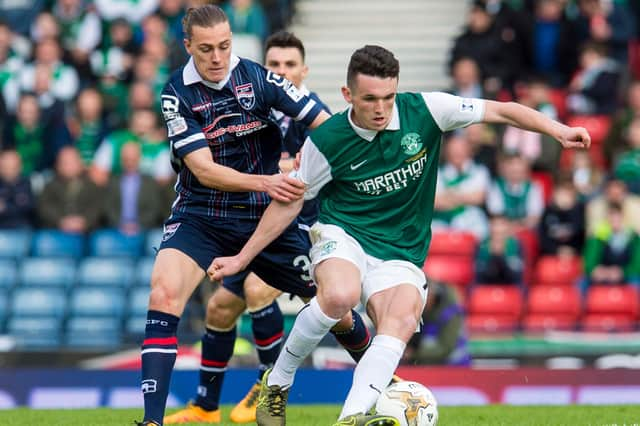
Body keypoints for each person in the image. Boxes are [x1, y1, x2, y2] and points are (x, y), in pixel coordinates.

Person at [209, 45, 590, 426]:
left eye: (388, 97)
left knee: (403, 318)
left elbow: (501, 110)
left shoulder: (426, 110)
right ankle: (278, 383)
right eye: (370, 99)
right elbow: (289, 203)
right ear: (348, 95)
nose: (381, 108)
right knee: (339, 295)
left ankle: (351, 417)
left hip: (401, 251)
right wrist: (242, 259)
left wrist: (559, 130)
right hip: (345, 234)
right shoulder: (326, 141)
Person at [137, 6, 370, 426]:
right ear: (188, 46)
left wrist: (332, 155)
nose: (217, 57)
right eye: (206, 49)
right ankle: (154, 420)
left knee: (334, 304)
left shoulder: (259, 78)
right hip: (201, 213)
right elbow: (203, 169)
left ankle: (387, 384)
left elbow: (326, 123)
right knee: (164, 295)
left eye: (225, 46)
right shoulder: (176, 93)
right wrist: (267, 181)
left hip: (266, 220)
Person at [403, 281, 470, 366]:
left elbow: (446, 348)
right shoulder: (419, 311)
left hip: (455, 367)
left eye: (425, 296)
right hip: (428, 366)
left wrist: (414, 353)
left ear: (434, 295)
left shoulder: (451, 314)